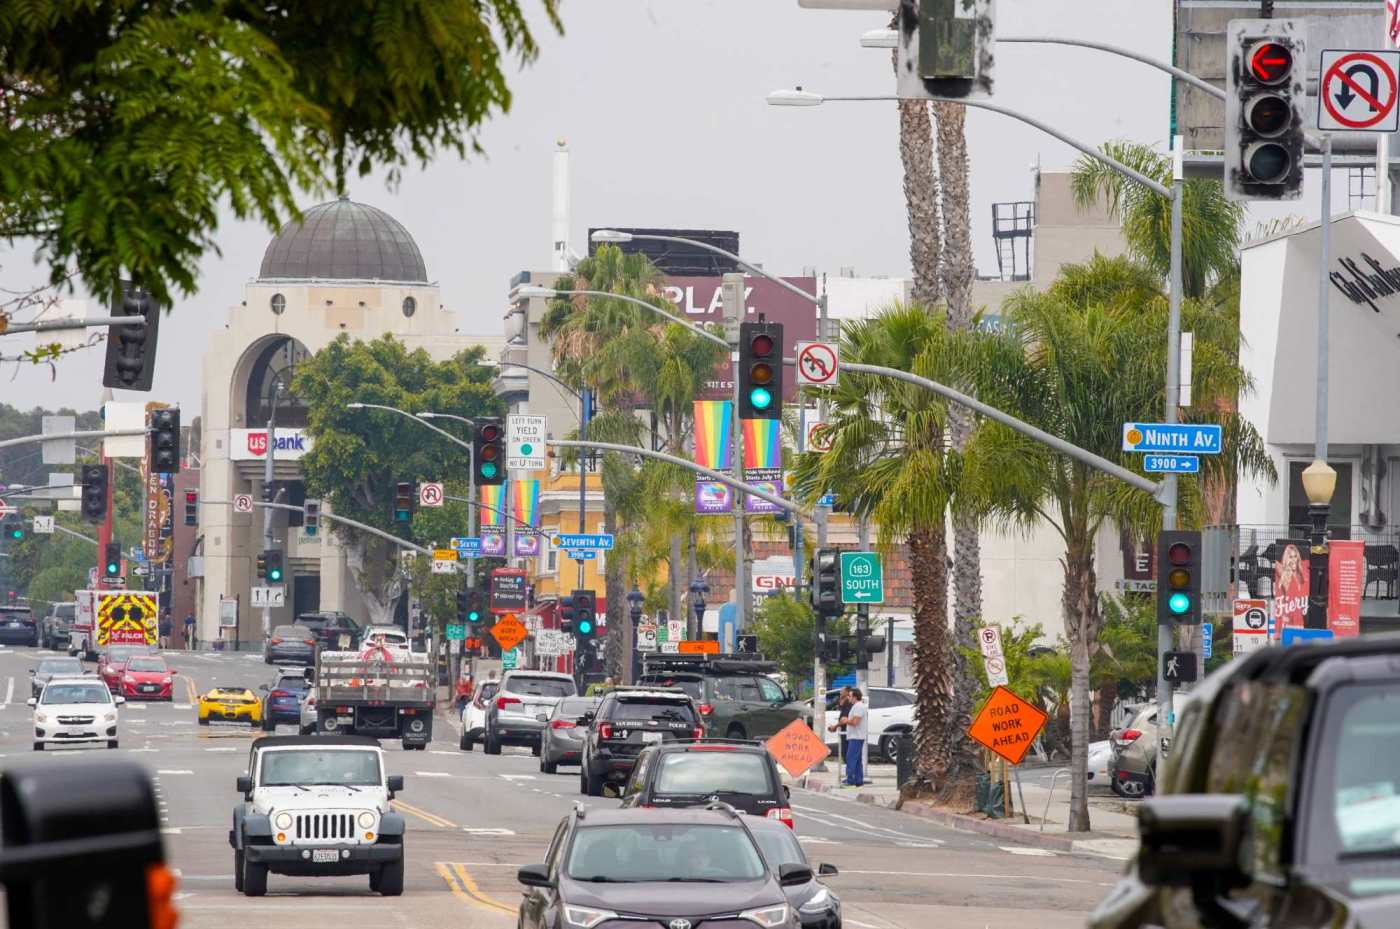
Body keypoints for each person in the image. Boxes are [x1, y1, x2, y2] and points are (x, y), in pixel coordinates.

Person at [836, 688, 868, 788]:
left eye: (849, 696)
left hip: (856, 737)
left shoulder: (859, 706)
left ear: (854, 697)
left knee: (851, 758)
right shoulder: (856, 706)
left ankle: (850, 780)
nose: (848, 698)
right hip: (854, 736)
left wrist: (846, 720)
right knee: (857, 760)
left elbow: (855, 722)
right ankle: (858, 780)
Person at [827, 686, 853, 784]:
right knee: (845, 754)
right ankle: (848, 776)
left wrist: (835, 726)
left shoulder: (849, 704)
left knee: (849, 755)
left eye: (842, 691)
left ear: (848, 693)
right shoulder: (844, 703)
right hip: (844, 732)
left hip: (848, 732)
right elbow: (841, 708)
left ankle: (850, 778)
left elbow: (844, 719)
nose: (840, 692)